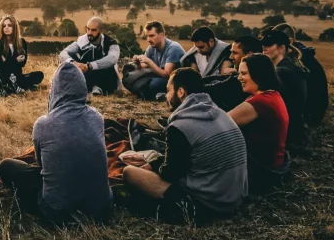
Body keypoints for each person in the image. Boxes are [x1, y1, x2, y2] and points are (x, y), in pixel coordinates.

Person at [123, 68, 247, 224]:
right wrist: (154, 163)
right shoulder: (221, 113)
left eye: (168, 91)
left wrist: (153, 167)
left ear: (180, 92)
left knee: (130, 173)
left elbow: (170, 174)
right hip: (235, 199)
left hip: (208, 205)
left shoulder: (181, 126)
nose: (166, 97)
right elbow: (190, 159)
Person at [0, 62, 112, 224]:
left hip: (58, 213)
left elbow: (42, 165)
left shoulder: (43, 124)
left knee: (6, 166)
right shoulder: (97, 117)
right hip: (101, 209)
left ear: (55, 90)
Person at [228, 54, 290, 193]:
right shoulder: (273, 95)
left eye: (243, 73)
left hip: (262, 169)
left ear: (259, 74)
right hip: (274, 163)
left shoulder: (260, 102)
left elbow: (219, 125)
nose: (239, 78)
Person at [273, 23, 328, 125]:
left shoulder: (300, 62)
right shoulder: (297, 56)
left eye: (274, 41)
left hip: (309, 116)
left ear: (290, 41)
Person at [261, 30, 309, 146]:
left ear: (281, 48)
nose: (264, 49)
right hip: (294, 129)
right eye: (263, 46)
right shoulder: (288, 67)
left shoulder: (283, 72)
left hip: (288, 134)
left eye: (269, 45)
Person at [125, 21, 186, 99]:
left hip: (175, 80)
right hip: (158, 76)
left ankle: (149, 92)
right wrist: (137, 63)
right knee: (128, 73)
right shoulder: (152, 47)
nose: (148, 39)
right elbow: (143, 67)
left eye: (151, 36)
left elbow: (167, 74)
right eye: (147, 36)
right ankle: (145, 91)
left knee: (155, 83)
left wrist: (149, 62)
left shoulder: (173, 48)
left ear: (161, 35)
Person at [60, 16, 120, 95]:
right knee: (70, 59)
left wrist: (90, 66)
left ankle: (97, 88)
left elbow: (112, 59)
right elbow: (63, 53)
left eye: (93, 30)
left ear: (101, 30)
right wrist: (74, 63)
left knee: (106, 63)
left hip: (104, 76)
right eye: (88, 29)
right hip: (86, 73)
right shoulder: (82, 40)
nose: (89, 33)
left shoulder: (111, 43)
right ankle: (87, 87)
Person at [0, 15, 43, 95]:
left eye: (9, 25)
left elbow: (22, 63)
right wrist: (16, 60)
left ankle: (13, 87)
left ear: (14, 27)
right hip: (3, 76)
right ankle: (21, 87)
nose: (6, 28)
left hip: (17, 76)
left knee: (39, 74)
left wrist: (6, 61)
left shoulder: (22, 42)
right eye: (4, 26)